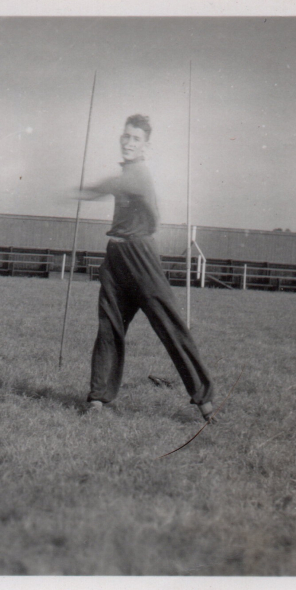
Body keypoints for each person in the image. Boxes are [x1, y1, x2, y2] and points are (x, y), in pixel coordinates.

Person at [77, 114, 215, 421]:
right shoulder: (128, 172)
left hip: (140, 254)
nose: (128, 142)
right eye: (125, 136)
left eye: (135, 138)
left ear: (146, 146)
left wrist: (80, 192)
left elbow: (124, 193)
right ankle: (97, 399)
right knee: (109, 327)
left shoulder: (137, 173)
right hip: (116, 254)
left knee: (168, 323)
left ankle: (204, 401)